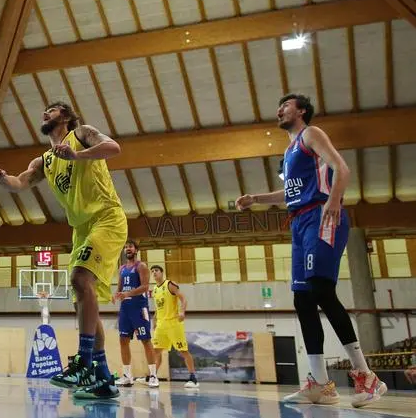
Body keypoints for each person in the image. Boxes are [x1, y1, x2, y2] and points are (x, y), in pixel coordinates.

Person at [235, 93, 386, 408]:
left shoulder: (311, 134)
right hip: (299, 222)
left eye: (287, 105)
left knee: (320, 290)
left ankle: (367, 376)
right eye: (279, 105)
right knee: (303, 300)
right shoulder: (289, 152)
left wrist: (334, 199)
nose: (280, 109)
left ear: (302, 111)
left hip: (321, 214)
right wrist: (256, 199)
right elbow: (289, 192)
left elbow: (341, 168)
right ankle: (320, 384)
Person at [0, 101, 126, 400]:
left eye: (51, 109)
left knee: (80, 280)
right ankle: (103, 378)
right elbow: (21, 182)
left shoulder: (83, 134)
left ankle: (83, 361)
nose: (44, 113)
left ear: (65, 116)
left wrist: (78, 155)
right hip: (81, 230)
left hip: (107, 217)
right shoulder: (44, 161)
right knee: (82, 302)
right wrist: (2, 179)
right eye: (44, 110)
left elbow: (113, 148)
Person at [112, 240, 158, 388]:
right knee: (123, 340)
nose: (127, 249)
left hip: (139, 308)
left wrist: (128, 293)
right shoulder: (122, 268)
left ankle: (153, 375)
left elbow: (145, 287)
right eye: (126, 247)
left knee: (146, 340)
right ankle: (127, 376)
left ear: (136, 250)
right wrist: (116, 295)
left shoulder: (141, 266)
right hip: (125, 308)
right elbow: (120, 288)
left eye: (130, 246)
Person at [149, 265, 198, 388]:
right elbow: (157, 308)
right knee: (156, 351)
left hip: (173, 323)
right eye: (152, 271)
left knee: (183, 351)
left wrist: (182, 312)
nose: (154, 273)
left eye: (156, 271)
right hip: (161, 324)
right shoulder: (154, 289)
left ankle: (193, 378)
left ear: (162, 273)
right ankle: (153, 376)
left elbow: (183, 299)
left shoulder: (169, 284)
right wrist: (154, 321)